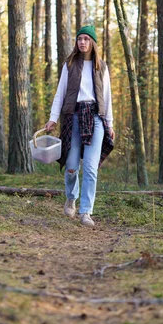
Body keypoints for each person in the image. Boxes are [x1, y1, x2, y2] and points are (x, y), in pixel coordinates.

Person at [44, 25, 115, 227]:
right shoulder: (70, 64)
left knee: (91, 169)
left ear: (92, 42)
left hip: (96, 118)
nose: (82, 42)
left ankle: (86, 212)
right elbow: (60, 93)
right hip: (73, 117)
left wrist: (109, 123)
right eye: (79, 39)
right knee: (72, 167)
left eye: (86, 39)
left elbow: (107, 97)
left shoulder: (102, 66)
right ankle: (70, 197)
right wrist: (53, 118)